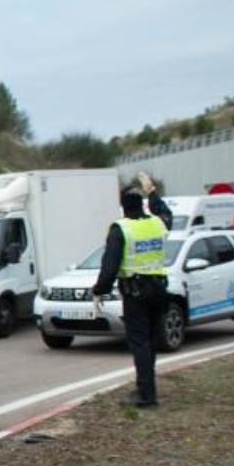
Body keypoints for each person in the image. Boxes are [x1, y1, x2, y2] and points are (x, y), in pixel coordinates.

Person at [92, 172, 172, 408]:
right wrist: (152, 191)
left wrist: (99, 289)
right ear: (143, 205)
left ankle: (146, 395)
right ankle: (148, 389)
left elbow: (110, 265)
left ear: (123, 207)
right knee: (150, 341)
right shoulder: (157, 223)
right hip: (158, 290)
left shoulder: (121, 229)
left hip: (136, 292)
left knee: (140, 344)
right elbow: (166, 213)